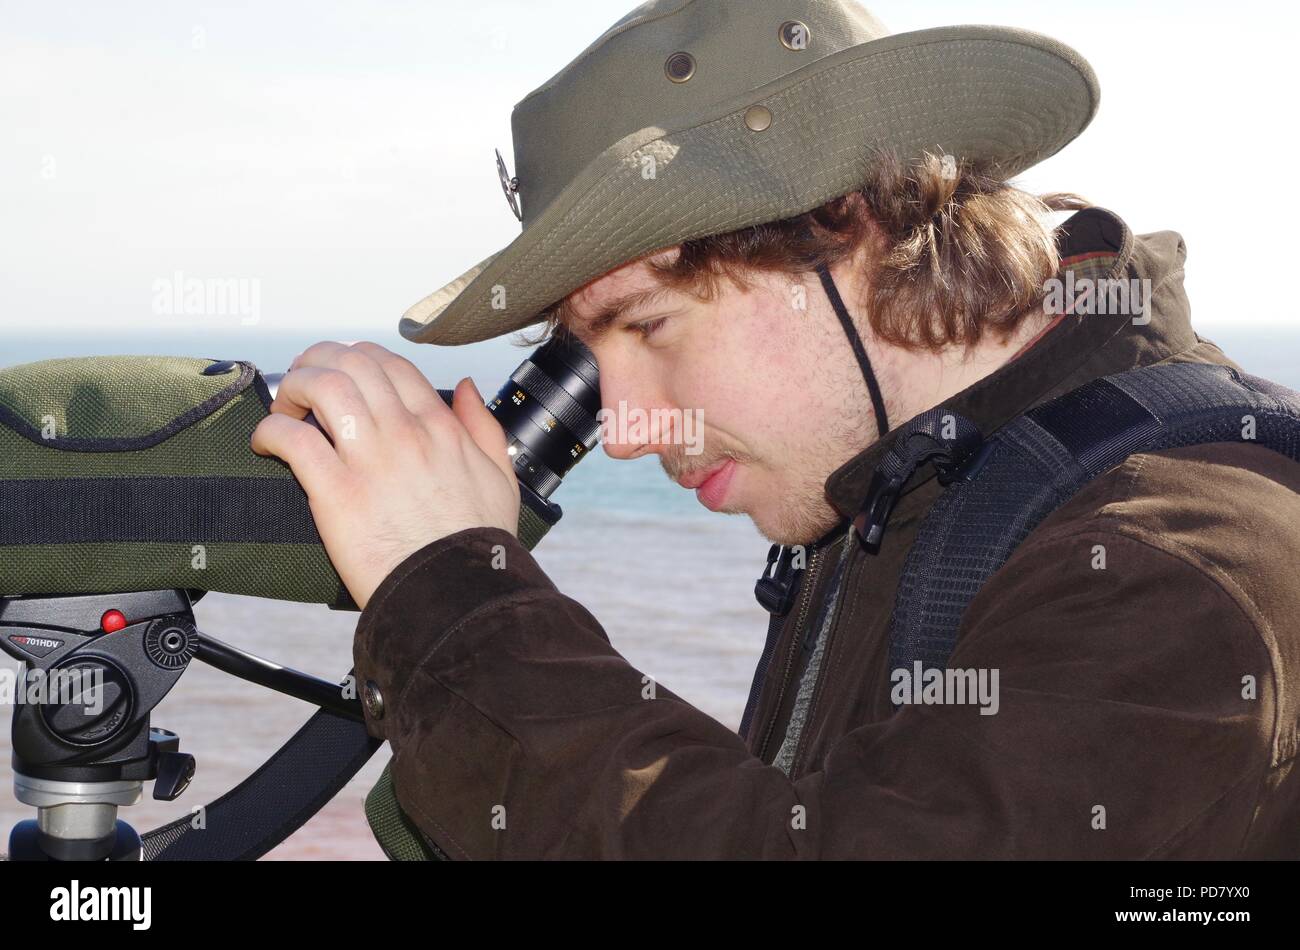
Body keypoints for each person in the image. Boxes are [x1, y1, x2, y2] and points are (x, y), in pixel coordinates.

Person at [250, 0, 1300, 858]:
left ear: (851, 228)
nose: (621, 431)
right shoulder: (912, 480)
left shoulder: (1171, 570)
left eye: (650, 325)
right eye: (585, 355)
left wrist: (453, 591)